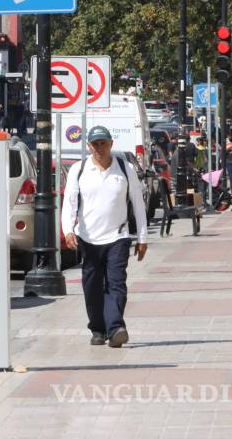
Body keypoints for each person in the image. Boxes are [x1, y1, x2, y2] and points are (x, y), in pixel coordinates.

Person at [61, 126, 149, 348]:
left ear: (111, 144)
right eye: (95, 144)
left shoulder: (125, 168)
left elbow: (138, 204)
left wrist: (142, 237)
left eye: (103, 143)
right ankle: (98, 329)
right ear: (89, 146)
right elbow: (69, 203)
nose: (99, 148)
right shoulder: (79, 170)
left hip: (118, 236)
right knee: (92, 287)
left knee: (116, 284)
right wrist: (68, 230)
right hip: (88, 239)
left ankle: (116, 328)